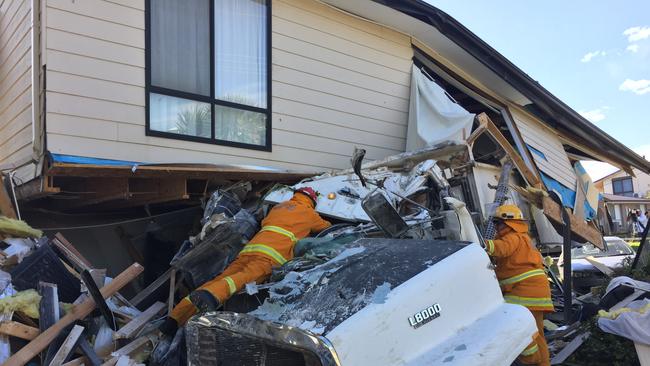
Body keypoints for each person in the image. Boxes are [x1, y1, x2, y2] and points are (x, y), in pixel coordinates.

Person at [159, 187, 332, 335]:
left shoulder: (278, 207)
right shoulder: (310, 214)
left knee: (219, 279)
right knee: (239, 280)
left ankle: (174, 319)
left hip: (249, 250)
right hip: (270, 256)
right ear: (312, 201)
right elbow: (328, 229)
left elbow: (264, 222)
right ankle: (211, 296)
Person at [485, 204, 553, 366]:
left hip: (525, 293)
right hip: (536, 293)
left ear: (509, 223)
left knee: (509, 321)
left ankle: (531, 360)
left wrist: (484, 245)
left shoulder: (513, 237)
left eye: (498, 223)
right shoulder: (523, 238)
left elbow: (502, 249)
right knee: (537, 333)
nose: (496, 227)